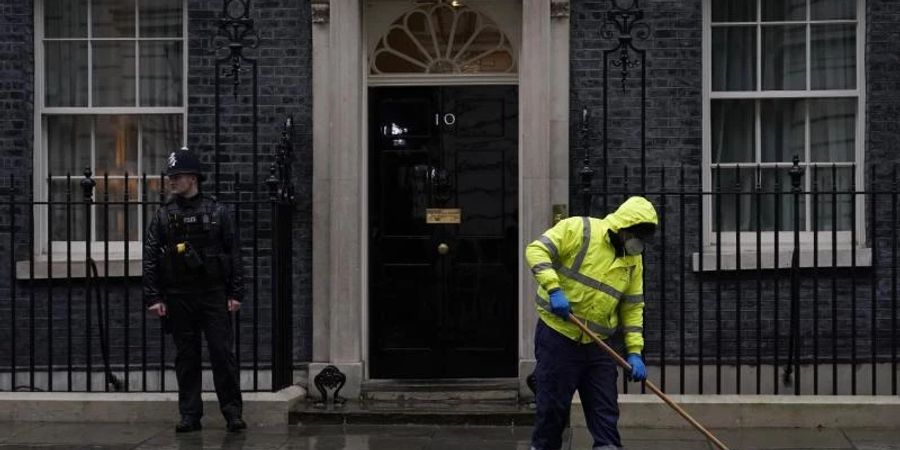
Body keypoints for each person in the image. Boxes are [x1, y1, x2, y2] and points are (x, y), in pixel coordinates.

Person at [526, 196, 658, 450]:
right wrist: (553, 288)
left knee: (605, 412)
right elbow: (536, 250)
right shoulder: (579, 229)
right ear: (624, 227)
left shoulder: (633, 262)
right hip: (558, 336)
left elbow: (632, 307)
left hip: (599, 347)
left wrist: (634, 352)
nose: (640, 244)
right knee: (552, 412)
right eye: (638, 235)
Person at [144, 147, 246, 433]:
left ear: (193, 178)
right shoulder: (163, 216)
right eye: (170, 176)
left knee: (222, 355)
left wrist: (236, 293)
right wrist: (153, 297)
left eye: (177, 176)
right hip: (178, 296)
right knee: (186, 358)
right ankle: (190, 415)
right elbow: (150, 256)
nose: (172, 181)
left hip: (213, 293)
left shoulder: (218, 211)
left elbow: (234, 252)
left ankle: (232, 413)